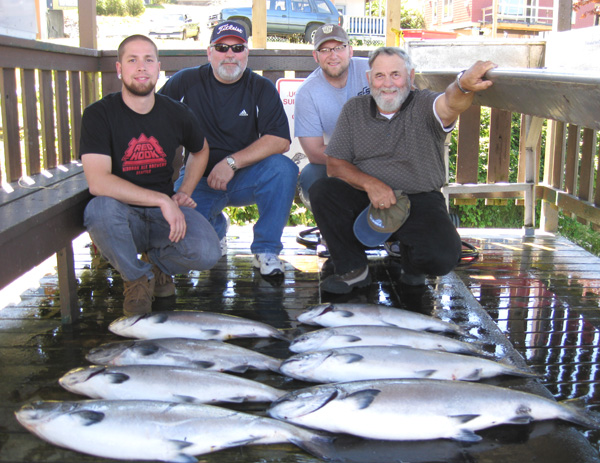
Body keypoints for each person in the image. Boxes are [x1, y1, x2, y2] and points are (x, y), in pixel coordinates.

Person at [309, 47, 497, 294]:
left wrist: (463, 85)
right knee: (323, 190)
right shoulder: (354, 109)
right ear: (369, 79)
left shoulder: (426, 104)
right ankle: (353, 269)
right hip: (367, 199)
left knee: (442, 257)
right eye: (380, 76)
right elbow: (335, 165)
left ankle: (412, 264)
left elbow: (451, 103)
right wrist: (370, 184)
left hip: (419, 199)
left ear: (411, 76)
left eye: (396, 75)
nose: (388, 84)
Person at [80, 35, 221, 315]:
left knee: (208, 251)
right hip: (122, 215)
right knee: (99, 210)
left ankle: (157, 265)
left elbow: (201, 150)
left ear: (159, 68)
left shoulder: (177, 113)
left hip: (162, 218)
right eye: (132, 60)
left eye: (148, 60)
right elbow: (98, 182)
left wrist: (184, 192)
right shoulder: (99, 115)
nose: (141, 67)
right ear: (119, 68)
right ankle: (136, 279)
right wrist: (163, 200)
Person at [158, 20, 297, 278]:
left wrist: (231, 163)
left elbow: (280, 140)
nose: (230, 54)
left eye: (238, 48)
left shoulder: (260, 87)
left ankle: (266, 249)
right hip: (197, 179)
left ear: (247, 53)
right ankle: (216, 228)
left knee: (284, 169)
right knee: (176, 229)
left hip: (244, 177)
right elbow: (154, 119)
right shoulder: (186, 81)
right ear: (209, 52)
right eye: (222, 47)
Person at [294, 24, 370, 211]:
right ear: (316, 56)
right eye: (325, 49)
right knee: (311, 176)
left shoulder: (371, 70)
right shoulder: (307, 93)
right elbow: (314, 152)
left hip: (384, 156)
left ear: (350, 50)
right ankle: (333, 231)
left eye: (339, 48)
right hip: (340, 160)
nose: (333, 55)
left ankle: (391, 230)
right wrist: (360, 157)